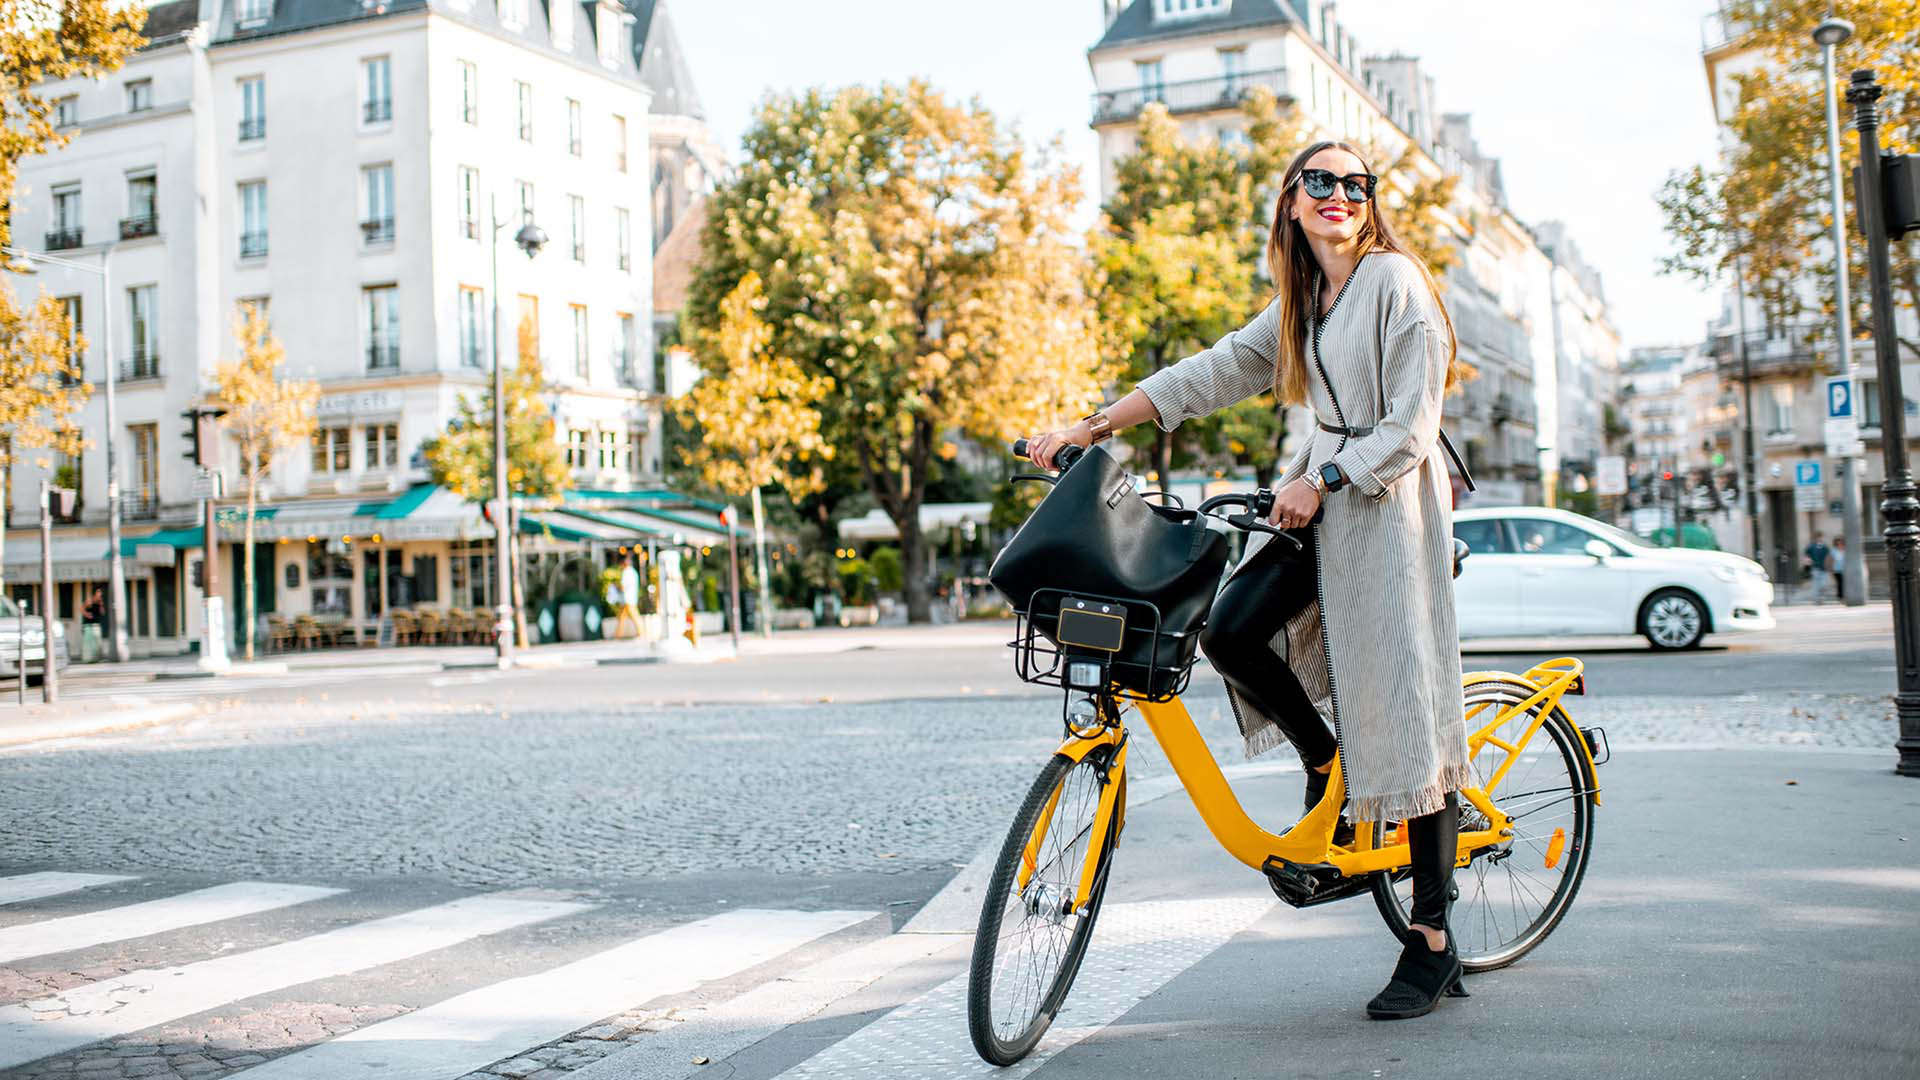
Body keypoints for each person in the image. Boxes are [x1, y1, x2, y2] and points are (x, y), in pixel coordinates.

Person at [1024, 141, 1471, 1020]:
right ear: (1292, 203)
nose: (1339, 194)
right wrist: (1090, 424)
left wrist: (1326, 479)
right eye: (1320, 182)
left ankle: (1433, 940)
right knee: (1228, 631)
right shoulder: (1304, 302)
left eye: (1354, 183)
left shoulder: (1395, 284)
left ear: (1368, 202)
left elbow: (1415, 424)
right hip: (1320, 500)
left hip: (1384, 508)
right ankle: (1325, 757)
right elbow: (1215, 371)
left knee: (1404, 712)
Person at [1804, 533, 1830, 599]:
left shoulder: (1825, 547)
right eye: (1818, 537)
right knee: (1816, 583)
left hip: (1824, 568)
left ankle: (1821, 596)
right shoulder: (1811, 547)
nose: (1819, 539)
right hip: (1815, 567)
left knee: (1824, 584)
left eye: (1820, 537)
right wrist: (1808, 563)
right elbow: (1807, 556)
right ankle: (1817, 597)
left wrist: (1828, 566)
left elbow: (1828, 557)